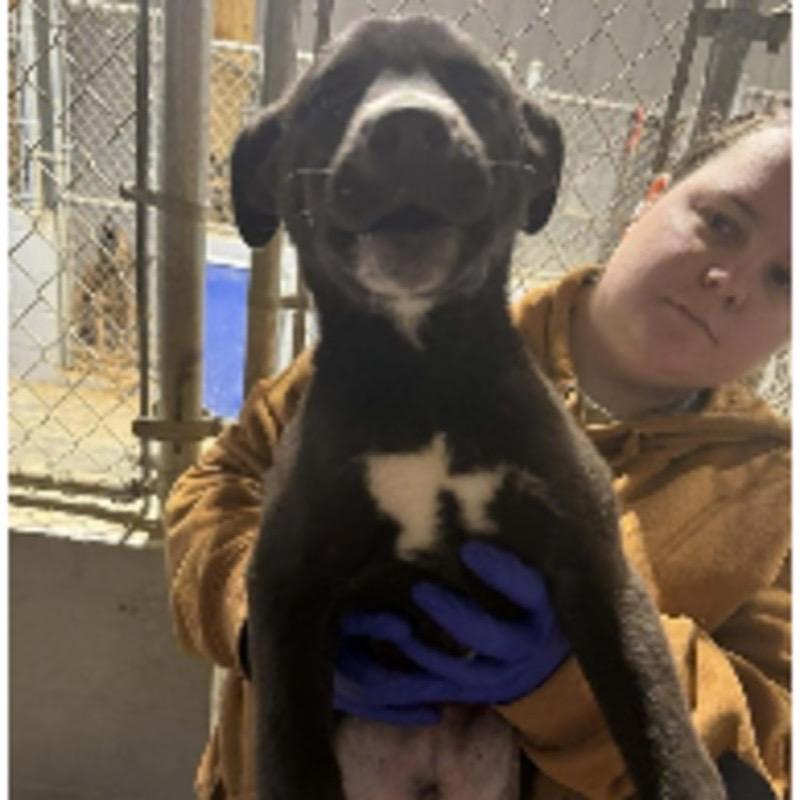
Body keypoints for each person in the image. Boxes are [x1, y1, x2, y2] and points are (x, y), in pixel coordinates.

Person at [164, 107, 790, 799]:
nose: (731, 281)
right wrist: (262, 625)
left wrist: (573, 678)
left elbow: (772, 753)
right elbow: (218, 485)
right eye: (722, 222)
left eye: (785, 278)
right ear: (651, 197)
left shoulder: (768, 495)